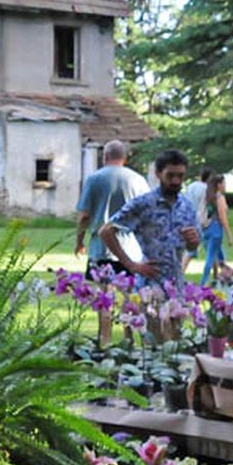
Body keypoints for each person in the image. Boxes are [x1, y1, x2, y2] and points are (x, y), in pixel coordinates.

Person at [74, 140, 149, 347]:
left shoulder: (94, 179)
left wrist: (79, 242)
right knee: (129, 298)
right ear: (124, 158)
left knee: (104, 298)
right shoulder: (139, 180)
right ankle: (129, 340)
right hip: (132, 250)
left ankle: (104, 341)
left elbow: (84, 216)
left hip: (101, 249)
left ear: (105, 156)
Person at [99, 149, 200, 286]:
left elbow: (192, 247)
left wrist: (193, 241)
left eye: (180, 176)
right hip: (149, 285)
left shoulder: (187, 207)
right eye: (170, 175)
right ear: (158, 173)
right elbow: (106, 231)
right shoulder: (143, 204)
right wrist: (131, 265)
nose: (176, 181)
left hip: (176, 287)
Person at [199, 173, 233, 285]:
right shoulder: (220, 198)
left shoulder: (208, 196)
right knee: (210, 257)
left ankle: (226, 279)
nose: (225, 185)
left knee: (221, 257)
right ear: (219, 185)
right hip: (216, 230)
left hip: (207, 229)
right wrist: (229, 236)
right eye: (224, 183)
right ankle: (203, 283)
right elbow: (223, 218)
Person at [182, 168, 211, 272]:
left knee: (212, 248)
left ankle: (217, 272)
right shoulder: (207, 189)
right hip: (200, 220)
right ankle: (180, 272)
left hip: (187, 218)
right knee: (192, 250)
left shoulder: (191, 186)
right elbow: (205, 206)